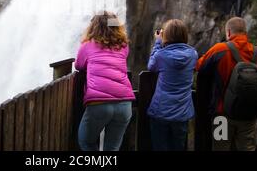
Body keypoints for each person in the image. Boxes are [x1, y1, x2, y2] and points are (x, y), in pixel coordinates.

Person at [196, 17, 257, 151]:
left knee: (220, 148)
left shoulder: (219, 49)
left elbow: (199, 66)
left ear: (228, 32)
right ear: (245, 32)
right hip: (249, 115)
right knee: (247, 148)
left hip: (222, 115)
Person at [75, 11, 135, 151]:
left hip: (99, 104)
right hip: (124, 104)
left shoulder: (87, 46)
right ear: (116, 27)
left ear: (94, 27)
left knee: (86, 142)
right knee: (112, 148)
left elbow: (79, 65)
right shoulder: (123, 46)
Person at [147, 19, 198, 151]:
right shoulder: (193, 54)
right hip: (182, 113)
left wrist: (158, 42)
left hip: (161, 111)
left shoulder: (161, 55)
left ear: (166, 35)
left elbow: (151, 66)